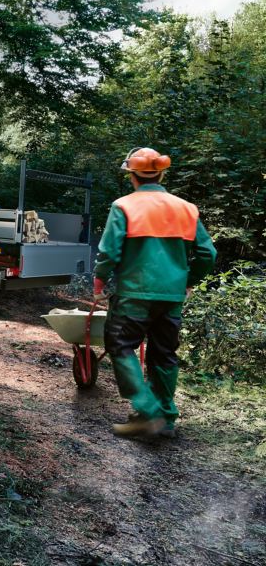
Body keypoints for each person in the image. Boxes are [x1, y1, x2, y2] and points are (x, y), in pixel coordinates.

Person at [93, 147, 216, 438]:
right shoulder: (186, 208)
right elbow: (207, 253)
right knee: (164, 354)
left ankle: (147, 413)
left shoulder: (124, 206)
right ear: (161, 173)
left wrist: (99, 281)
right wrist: (188, 281)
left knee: (121, 345)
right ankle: (167, 419)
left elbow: (109, 252)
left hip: (135, 293)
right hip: (171, 297)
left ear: (131, 176)